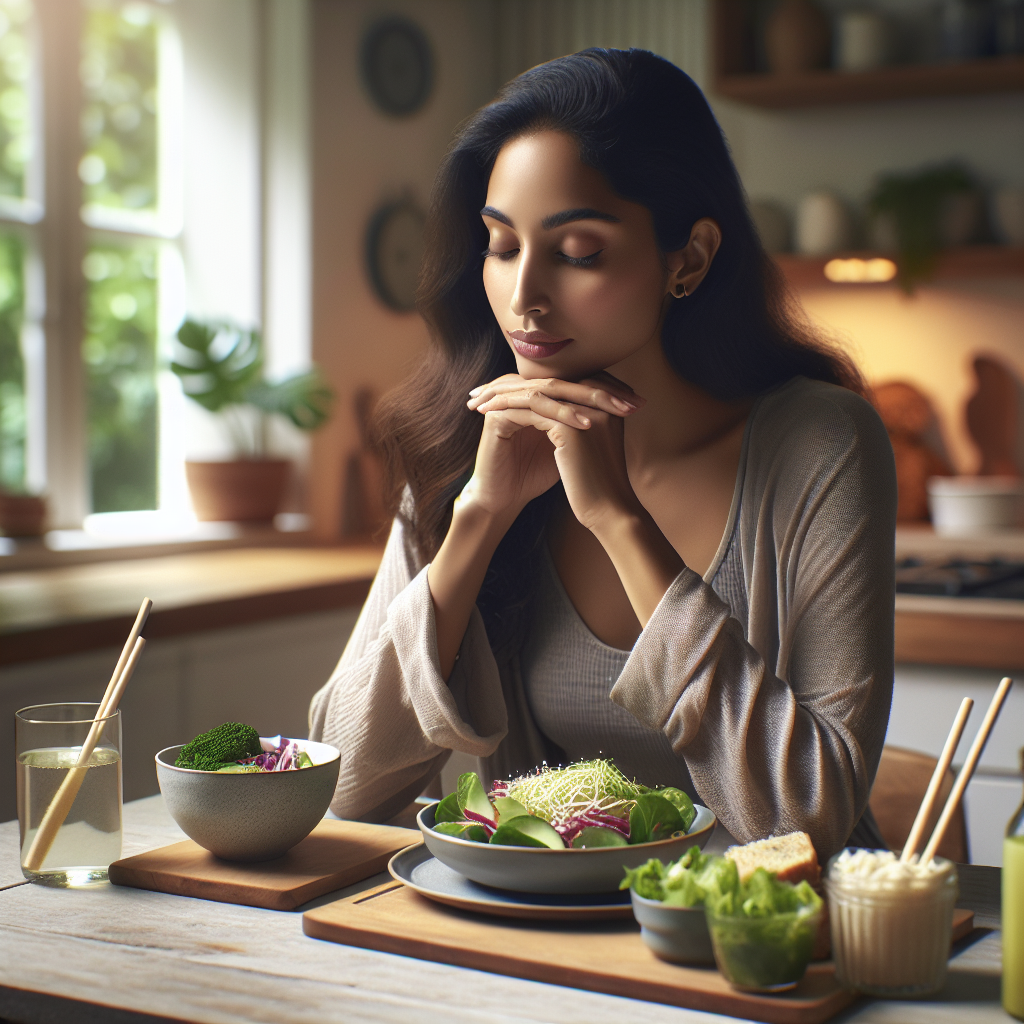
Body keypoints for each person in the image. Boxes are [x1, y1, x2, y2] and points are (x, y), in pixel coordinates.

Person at [309, 49, 896, 860]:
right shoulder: (466, 442)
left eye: (578, 251)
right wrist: (480, 518)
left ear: (687, 258)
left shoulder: (821, 442)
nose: (524, 298)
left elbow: (807, 820)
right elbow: (342, 786)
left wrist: (620, 522)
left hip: (763, 951)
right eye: (501, 246)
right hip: (546, 947)